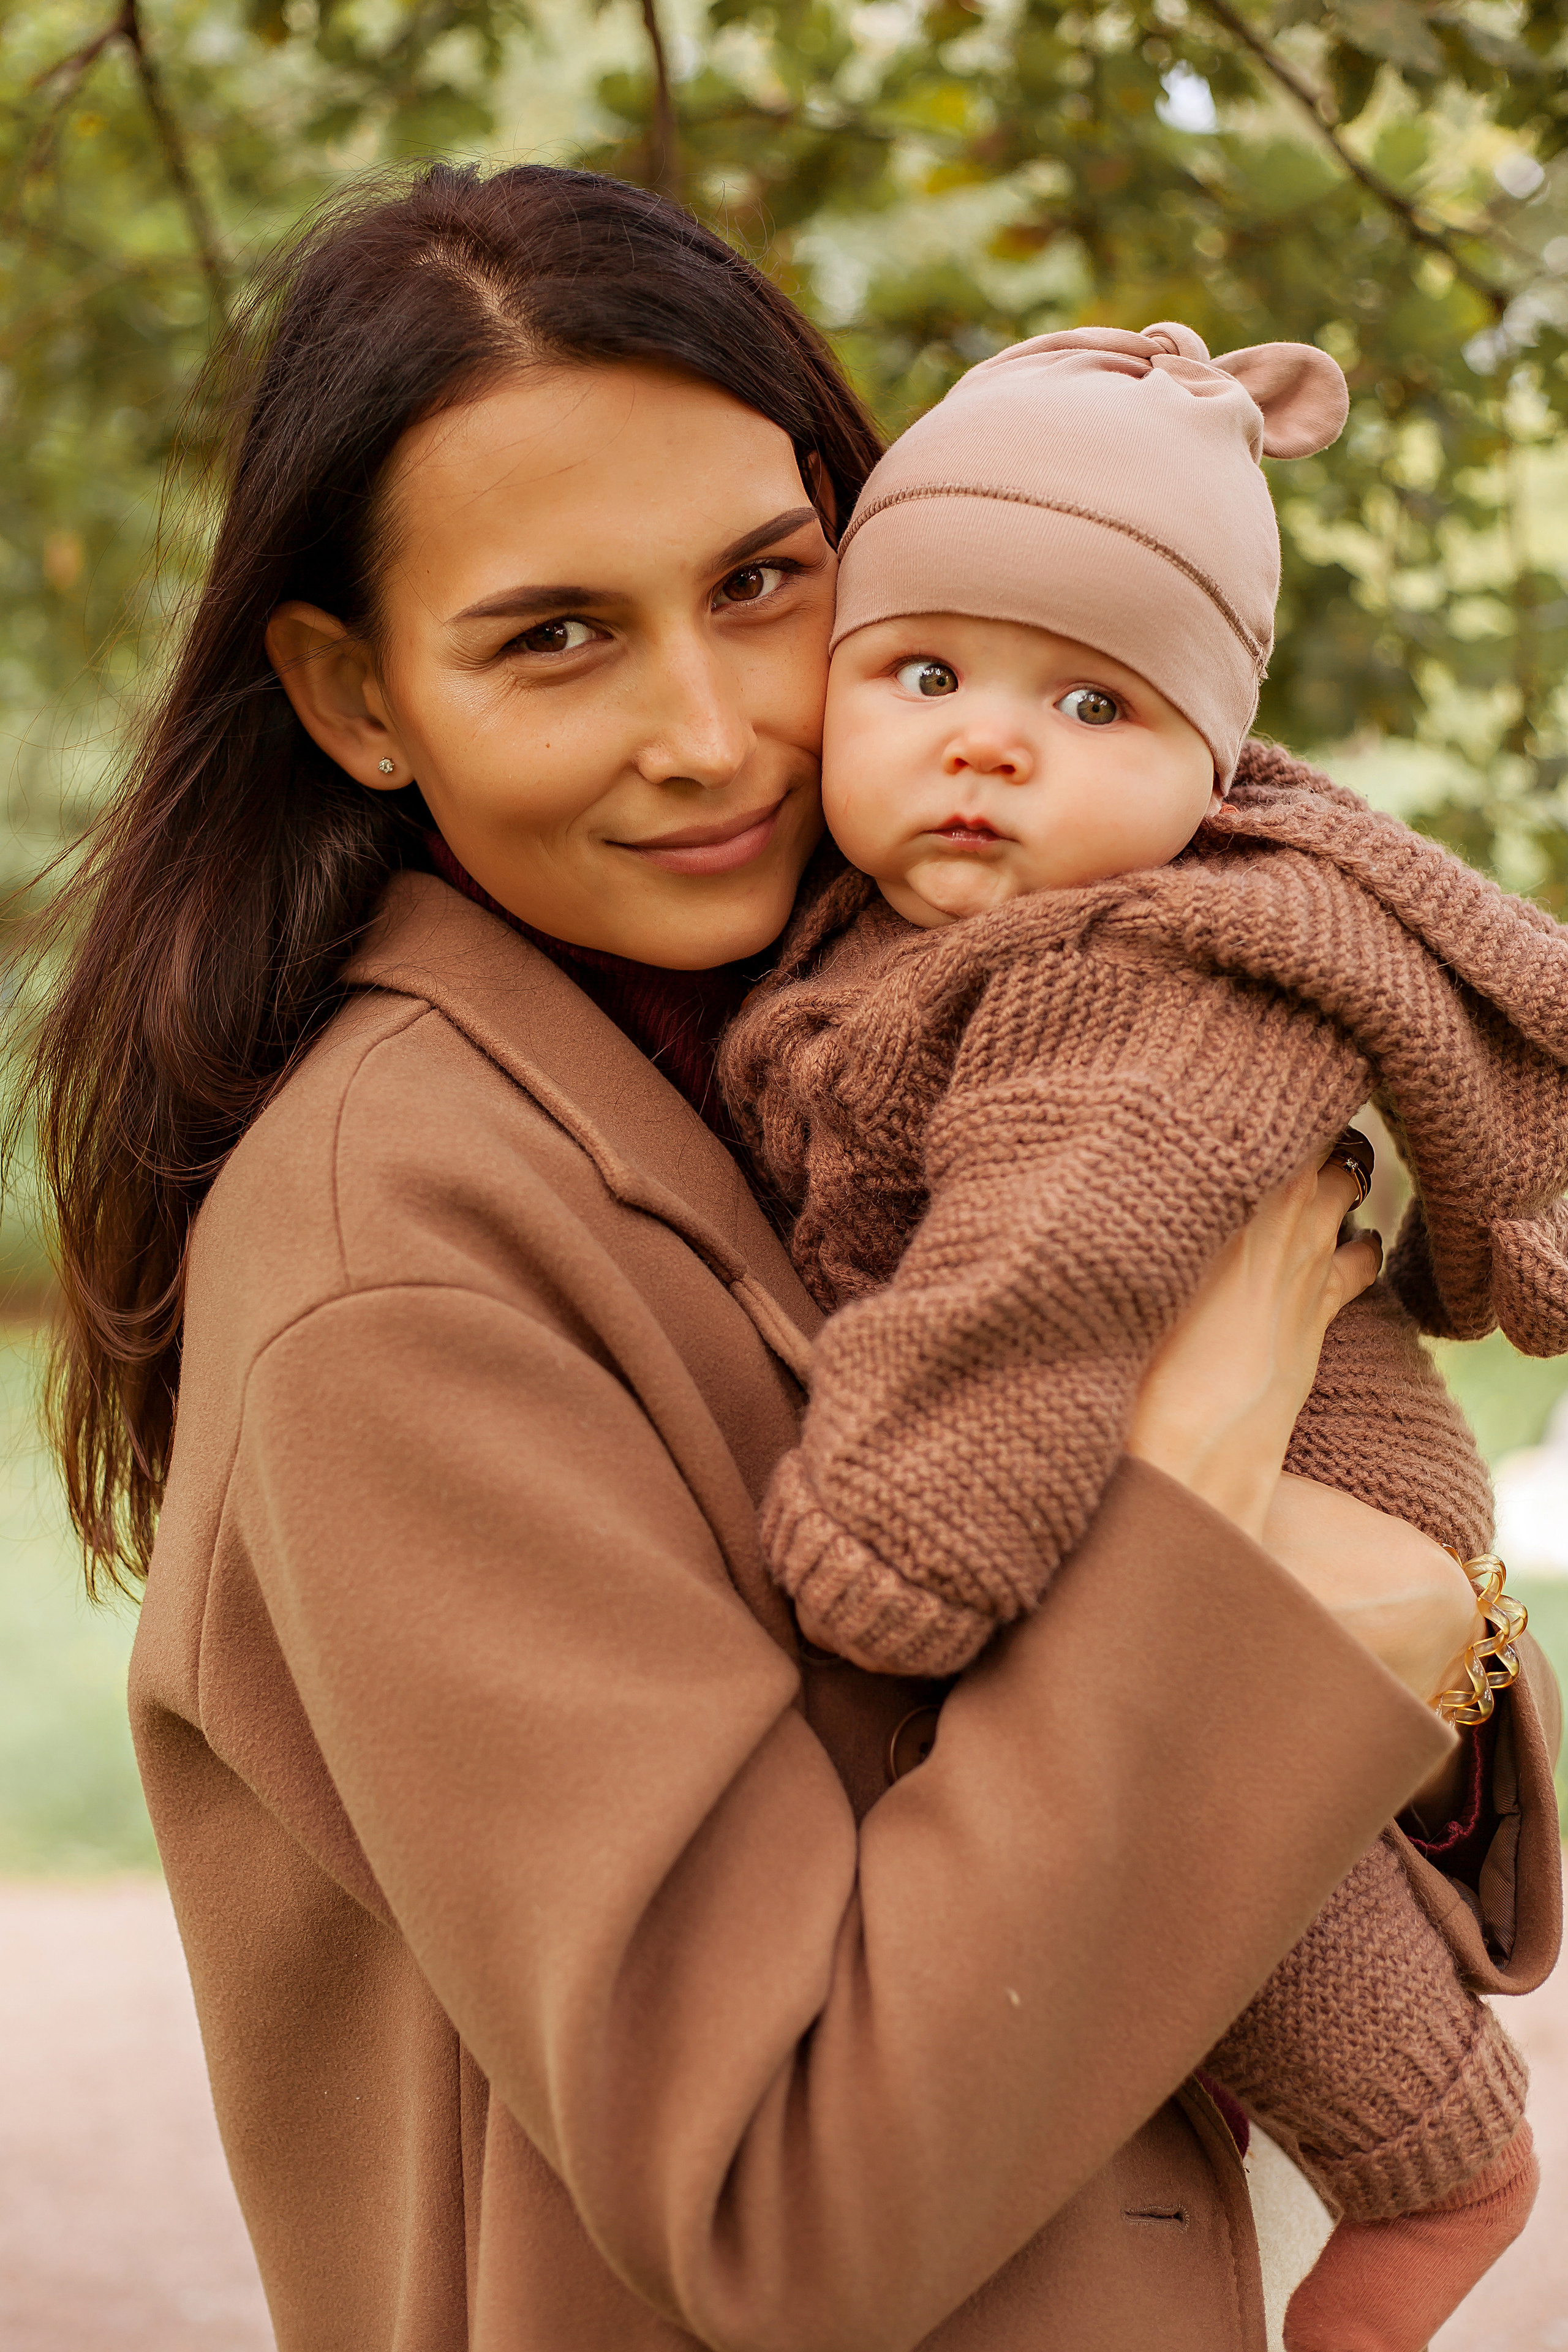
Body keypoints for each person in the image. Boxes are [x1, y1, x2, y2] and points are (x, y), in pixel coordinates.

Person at [17, 166, 1559, 2352]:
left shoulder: (883, 1028)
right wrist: (1216, 1520)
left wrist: (1405, 1606)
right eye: (556, 636)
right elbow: (777, 2206)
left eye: (763, 582)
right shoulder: (397, 1253)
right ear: (358, 699)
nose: (716, 730)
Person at [717, 319, 1568, 2344]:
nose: (990, 746)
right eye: (926, 675)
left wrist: (905, 1538)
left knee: (1228, 1853)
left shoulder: (1157, 977)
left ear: (1216, 771)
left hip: (1294, 1475)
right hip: (1173, 1457)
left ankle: (1442, 2169)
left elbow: (1053, 1268)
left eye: (1094, 701)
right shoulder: (916, 928)